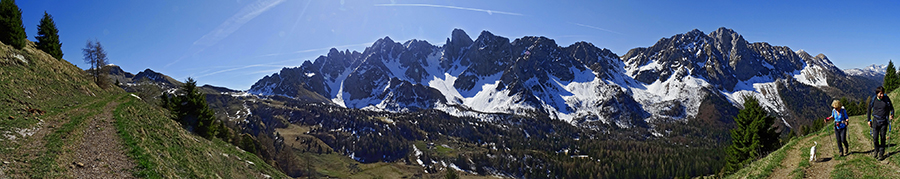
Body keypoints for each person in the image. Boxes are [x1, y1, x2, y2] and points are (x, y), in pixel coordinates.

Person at [868, 86, 894, 161]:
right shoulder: (874, 100)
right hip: (875, 121)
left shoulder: (886, 99)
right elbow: (869, 109)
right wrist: (869, 119)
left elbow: (891, 108)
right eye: (881, 93)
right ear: (877, 93)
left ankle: (881, 154)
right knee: (875, 138)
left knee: (883, 138)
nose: (882, 95)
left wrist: (891, 114)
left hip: (884, 121)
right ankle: (876, 150)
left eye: (883, 93)